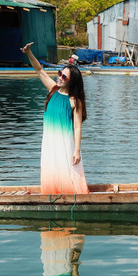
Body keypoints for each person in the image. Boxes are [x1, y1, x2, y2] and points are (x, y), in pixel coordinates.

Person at [21, 42, 89, 194]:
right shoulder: (53, 90)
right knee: (51, 167)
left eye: (64, 76)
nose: (60, 77)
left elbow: (78, 127)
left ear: (71, 80)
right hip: (49, 141)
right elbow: (39, 70)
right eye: (59, 73)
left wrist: (77, 150)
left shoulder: (74, 101)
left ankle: (73, 195)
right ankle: (52, 195)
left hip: (65, 142)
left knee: (68, 169)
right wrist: (29, 53)